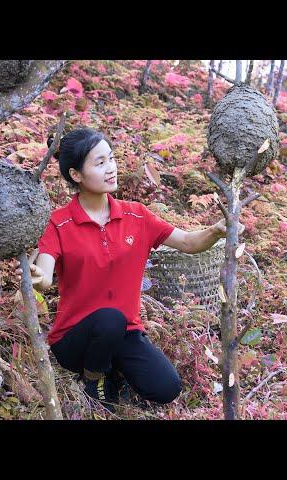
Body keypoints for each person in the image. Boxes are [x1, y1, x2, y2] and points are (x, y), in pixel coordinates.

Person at [13, 127, 243, 413]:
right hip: (74, 340)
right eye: (100, 163)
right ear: (76, 175)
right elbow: (45, 272)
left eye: (111, 159)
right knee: (109, 320)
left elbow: (186, 241)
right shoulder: (59, 222)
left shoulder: (136, 215)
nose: (111, 169)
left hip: (125, 332)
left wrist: (217, 230)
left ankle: (110, 366)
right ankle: (93, 377)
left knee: (166, 387)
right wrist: (38, 278)